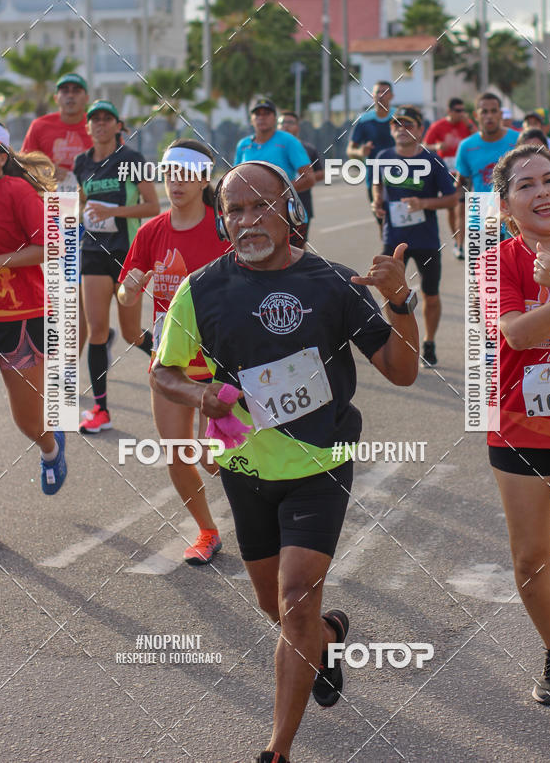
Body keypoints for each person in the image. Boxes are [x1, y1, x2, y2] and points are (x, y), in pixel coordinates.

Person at [150, 161, 419, 763]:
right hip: (246, 469)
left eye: (262, 206)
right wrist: (202, 396)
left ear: (290, 211)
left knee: (296, 593)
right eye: (236, 211)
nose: (249, 221)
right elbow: (163, 371)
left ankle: (277, 750)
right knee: (278, 608)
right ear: (223, 220)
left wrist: (401, 299)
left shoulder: (336, 285)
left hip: (320, 463)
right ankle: (327, 639)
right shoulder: (201, 290)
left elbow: (402, 372)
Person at [118, 139, 231, 565]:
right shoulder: (151, 232)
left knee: (214, 458)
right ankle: (207, 532)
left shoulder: (223, 229)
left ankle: (262, 517)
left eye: (186, 175)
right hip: (170, 360)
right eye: (170, 174)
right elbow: (127, 296)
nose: (176, 183)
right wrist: (130, 288)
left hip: (220, 359)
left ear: (204, 179)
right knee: (177, 452)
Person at [489, 143, 550, 705]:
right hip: (521, 425)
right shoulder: (498, 261)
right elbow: (518, 334)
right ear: (504, 208)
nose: (542, 190)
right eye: (526, 185)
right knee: (529, 556)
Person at [0, 119, 67, 552]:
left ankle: (49, 447)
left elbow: (52, 246)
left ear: (3, 157)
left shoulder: (17, 193)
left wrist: (0, 261)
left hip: (22, 319)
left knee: (28, 421)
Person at [74, 100, 159, 432]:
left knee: (131, 333)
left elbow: (151, 206)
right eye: (95, 119)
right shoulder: (82, 162)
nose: (100, 124)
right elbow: (81, 201)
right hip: (92, 253)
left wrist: (113, 213)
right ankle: (101, 411)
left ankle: (185, 368)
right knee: (96, 330)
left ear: (118, 125)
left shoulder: (132, 160)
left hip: (127, 255)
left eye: (107, 119)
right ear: (88, 127)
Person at [374, 106, 458, 368]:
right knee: (389, 290)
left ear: (420, 129)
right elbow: (377, 184)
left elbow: (453, 198)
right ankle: (397, 337)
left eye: (408, 124)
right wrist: (376, 201)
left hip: (426, 241)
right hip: (394, 237)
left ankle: (429, 342)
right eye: (397, 125)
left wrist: (423, 204)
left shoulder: (432, 160)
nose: (402, 129)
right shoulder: (384, 156)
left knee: (430, 295)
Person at [21, 72, 95, 353]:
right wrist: (52, 171)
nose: (71, 94)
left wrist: (85, 183)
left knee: (74, 298)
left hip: (87, 219)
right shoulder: (41, 126)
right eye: (65, 90)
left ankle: (69, 368)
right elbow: (24, 170)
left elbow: (116, 170)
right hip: (50, 216)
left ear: (85, 98)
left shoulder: (98, 125)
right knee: (57, 296)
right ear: (56, 97)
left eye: (77, 90)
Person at [234, 98, 314, 246]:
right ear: (251, 119)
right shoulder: (243, 145)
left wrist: (279, 194)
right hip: (252, 218)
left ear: (274, 118)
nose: (262, 117)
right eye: (257, 114)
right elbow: (235, 180)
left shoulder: (288, 141)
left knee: (292, 263)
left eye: (267, 113)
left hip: (285, 216)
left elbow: (309, 178)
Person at [424, 97, 475, 260]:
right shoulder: (438, 126)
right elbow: (425, 145)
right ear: (449, 111)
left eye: (463, 110)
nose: (461, 114)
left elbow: (479, 138)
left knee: (461, 207)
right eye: (458, 111)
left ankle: (461, 244)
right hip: (445, 171)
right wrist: (437, 147)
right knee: (451, 209)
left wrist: (469, 124)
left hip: (464, 171)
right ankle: (456, 240)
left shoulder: (466, 125)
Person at [455, 92, 519, 195]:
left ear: (500, 114)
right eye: (484, 112)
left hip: (512, 206)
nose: (489, 116)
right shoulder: (466, 146)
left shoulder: (518, 140)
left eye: (494, 111)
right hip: (480, 207)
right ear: (476, 115)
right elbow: (462, 186)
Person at [277, 109, 324, 247]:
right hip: (277, 202)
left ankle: (301, 266)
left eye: (290, 122)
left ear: (297, 127)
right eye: (282, 122)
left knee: (298, 244)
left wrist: (302, 179)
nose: (285, 125)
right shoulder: (272, 148)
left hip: (301, 201)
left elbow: (320, 173)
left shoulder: (307, 149)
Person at [347, 80, 395, 206]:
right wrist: (360, 152)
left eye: (385, 92)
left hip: (400, 172)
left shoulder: (399, 117)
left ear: (392, 96)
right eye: (377, 92)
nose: (381, 95)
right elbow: (350, 149)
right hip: (374, 175)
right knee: (379, 213)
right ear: (372, 96)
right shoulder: (364, 120)